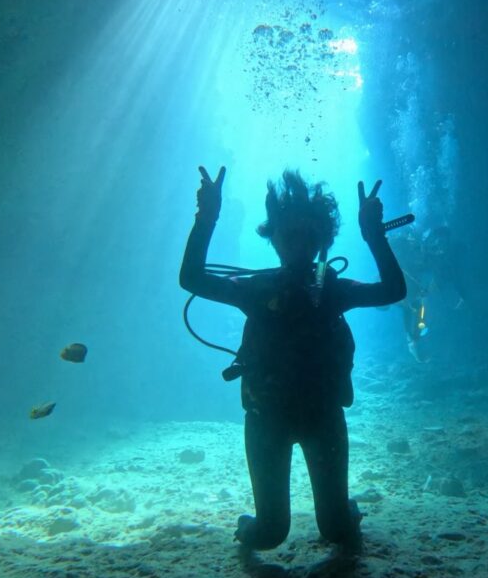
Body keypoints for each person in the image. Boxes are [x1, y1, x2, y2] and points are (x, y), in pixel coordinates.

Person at [179, 165, 406, 551]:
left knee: (337, 530)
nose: (299, 245)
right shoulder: (257, 289)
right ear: (275, 239)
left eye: (308, 236)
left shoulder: (331, 289)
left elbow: (393, 290)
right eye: (290, 234)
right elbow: (192, 280)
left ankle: (343, 511)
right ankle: (249, 526)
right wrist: (206, 218)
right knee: (269, 533)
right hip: (268, 419)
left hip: (324, 418)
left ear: (322, 241)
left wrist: (374, 235)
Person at [389, 224, 466, 362]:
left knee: (415, 305)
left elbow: (441, 276)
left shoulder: (426, 254)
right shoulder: (412, 252)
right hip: (407, 283)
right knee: (413, 305)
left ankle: (414, 340)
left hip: (412, 284)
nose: (439, 248)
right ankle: (414, 340)